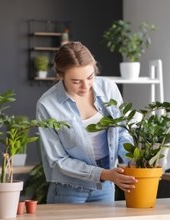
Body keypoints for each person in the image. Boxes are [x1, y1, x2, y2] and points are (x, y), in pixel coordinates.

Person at [36, 41, 137, 204]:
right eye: (76, 81)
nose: (85, 86)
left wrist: (132, 158)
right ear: (60, 76)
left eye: (90, 77)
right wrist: (103, 174)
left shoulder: (108, 88)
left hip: (106, 187)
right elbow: (57, 160)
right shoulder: (47, 105)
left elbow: (121, 131)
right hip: (68, 190)